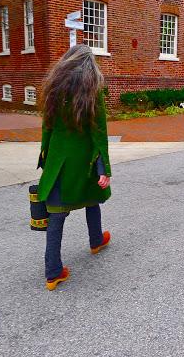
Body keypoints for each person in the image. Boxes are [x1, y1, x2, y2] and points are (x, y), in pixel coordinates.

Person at [37, 44, 112, 291]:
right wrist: (104, 168)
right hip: (84, 162)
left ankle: (53, 272)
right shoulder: (93, 90)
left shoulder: (53, 89)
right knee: (93, 198)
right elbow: (99, 134)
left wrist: (44, 156)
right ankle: (96, 240)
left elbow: (47, 127)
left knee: (56, 215)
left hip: (58, 162)